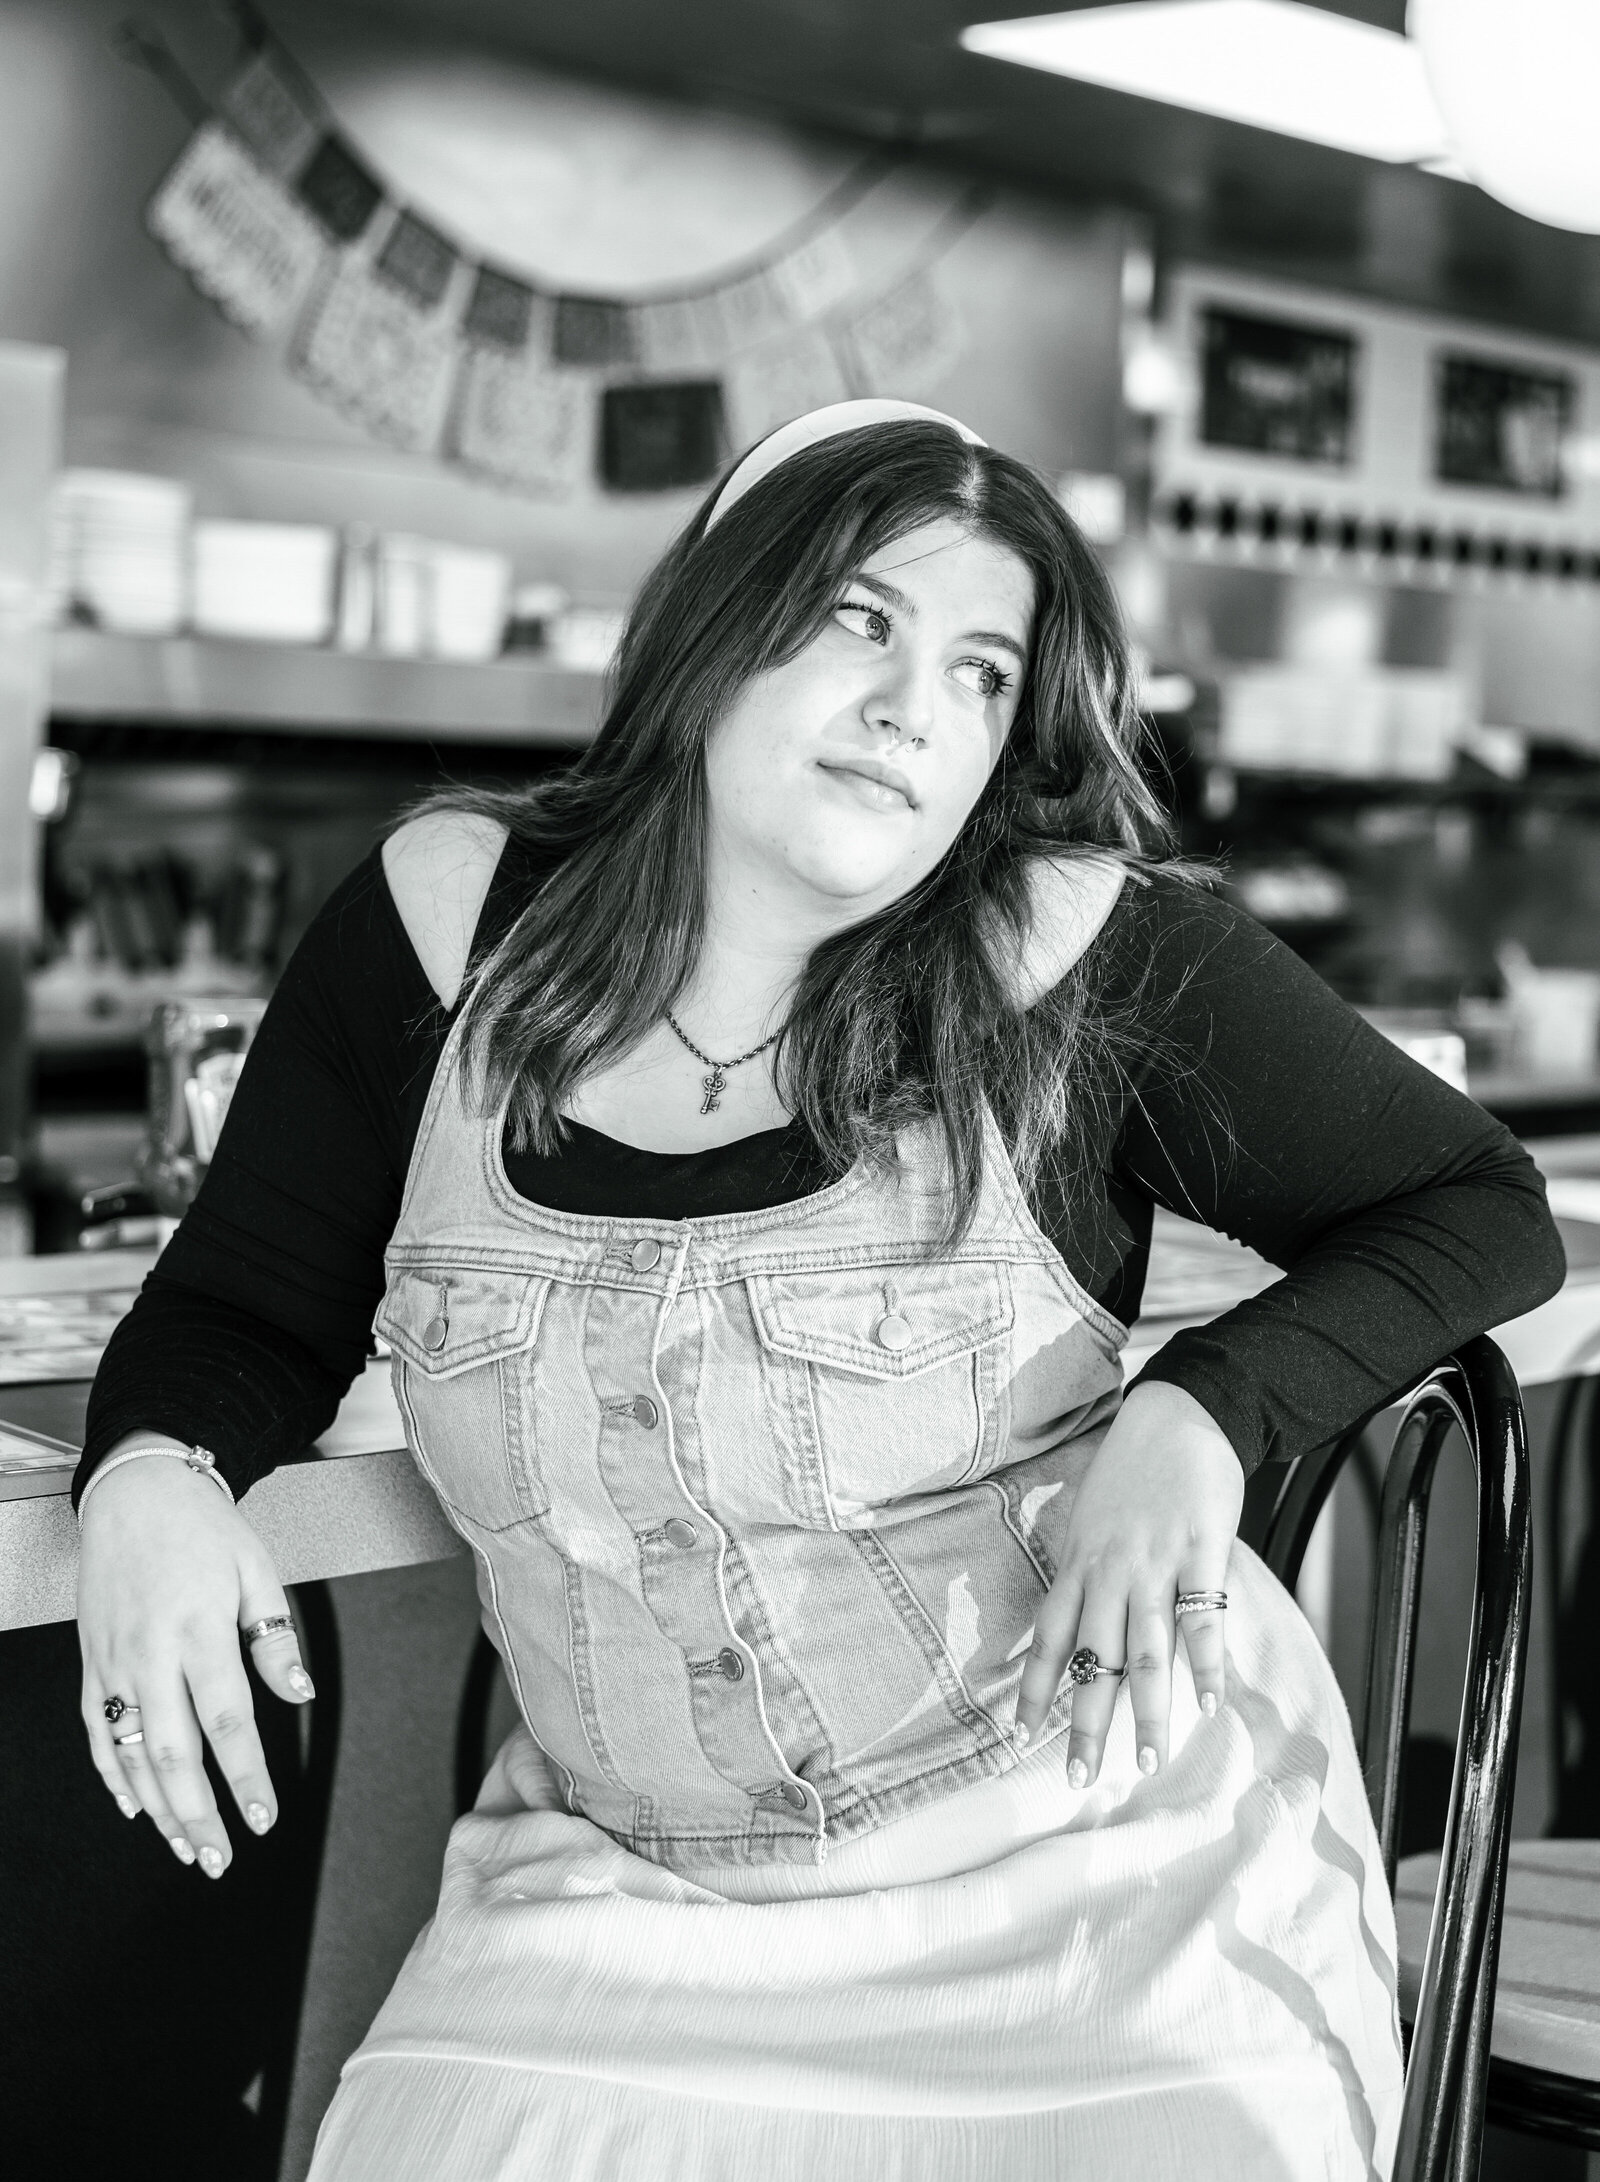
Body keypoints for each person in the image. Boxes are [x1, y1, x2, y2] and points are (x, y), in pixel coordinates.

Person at [74, 400, 1564, 2181]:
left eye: (981, 669)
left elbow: (1478, 1200)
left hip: (1083, 1884)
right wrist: (150, 1472)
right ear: (715, 626)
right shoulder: (445, 928)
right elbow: (246, 1303)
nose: (910, 704)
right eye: (858, 619)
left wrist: (1203, 1409)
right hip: (621, 1905)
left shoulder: (1072, 959)